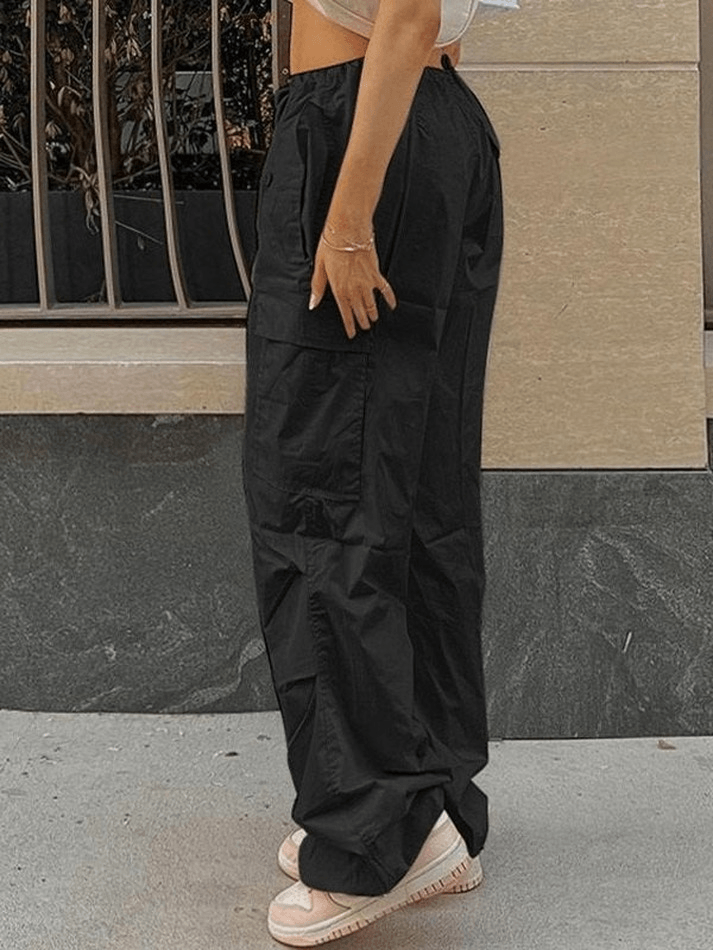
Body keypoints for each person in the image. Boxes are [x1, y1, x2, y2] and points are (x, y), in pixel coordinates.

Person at [241, 0, 503, 944]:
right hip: (424, 117)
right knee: (419, 489)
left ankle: (375, 836)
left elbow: (409, 10)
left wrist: (348, 215)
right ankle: (429, 803)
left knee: (320, 492)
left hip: (360, 120)